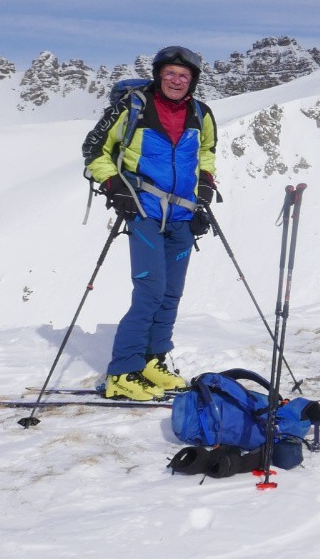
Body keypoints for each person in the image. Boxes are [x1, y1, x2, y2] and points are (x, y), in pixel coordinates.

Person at [82, 46, 218, 400]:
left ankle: (152, 361)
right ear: (159, 74)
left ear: (193, 82)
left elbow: (206, 153)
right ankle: (122, 371)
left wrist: (205, 186)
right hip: (143, 210)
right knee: (150, 292)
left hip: (184, 215)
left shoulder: (201, 113)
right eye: (170, 73)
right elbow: (94, 150)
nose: (176, 80)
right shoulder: (133, 107)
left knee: (171, 294)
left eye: (184, 76)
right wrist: (114, 187)